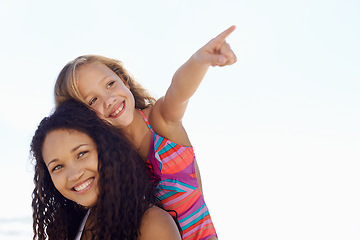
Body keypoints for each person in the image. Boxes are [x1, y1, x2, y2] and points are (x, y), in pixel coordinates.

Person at [54, 26, 237, 240]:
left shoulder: (160, 121)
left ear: (124, 79)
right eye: (93, 100)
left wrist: (200, 60)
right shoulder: (101, 163)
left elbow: (178, 92)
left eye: (111, 84)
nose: (109, 99)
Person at [30, 99, 181, 240]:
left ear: (106, 149)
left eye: (81, 154)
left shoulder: (153, 224)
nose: (74, 175)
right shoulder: (73, 226)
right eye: (57, 167)